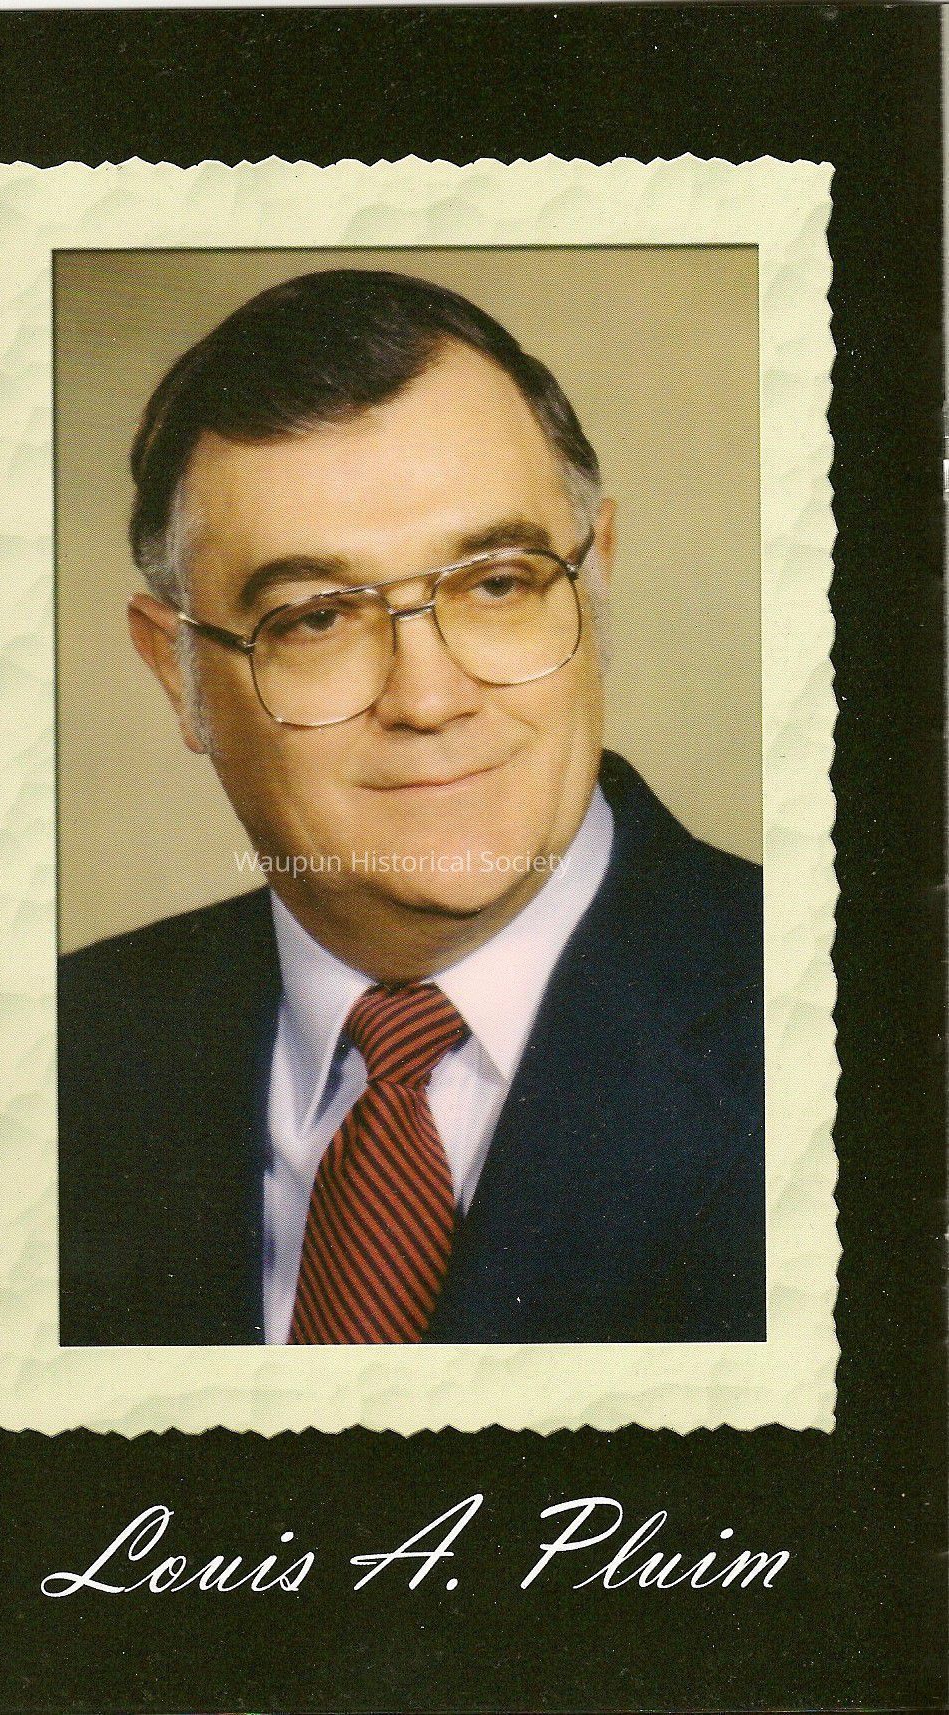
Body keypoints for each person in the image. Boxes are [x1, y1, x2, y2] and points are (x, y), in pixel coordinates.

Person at [58, 268, 764, 1348]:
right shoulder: (46, 1059)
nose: (428, 699)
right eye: (314, 618)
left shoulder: (860, 1016)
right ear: (177, 675)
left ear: (595, 584)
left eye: (496, 583)